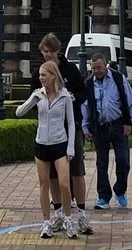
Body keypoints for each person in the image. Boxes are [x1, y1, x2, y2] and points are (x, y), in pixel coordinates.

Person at [15, 59, 80, 239]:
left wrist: (71, 147)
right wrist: (32, 100)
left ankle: (67, 218)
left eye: (44, 75)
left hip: (60, 143)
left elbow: (70, 123)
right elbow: (18, 112)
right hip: (42, 144)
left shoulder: (65, 96)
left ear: (53, 76)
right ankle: (46, 222)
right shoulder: (38, 94)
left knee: (64, 184)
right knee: (44, 186)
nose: (41, 78)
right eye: (40, 75)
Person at [39, 34, 94, 234]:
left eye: (51, 51)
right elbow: (34, 97)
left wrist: (72, 98)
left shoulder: (70, 69)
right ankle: (59, 214)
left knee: (76, 171)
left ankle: (81, 213)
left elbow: (83, 93)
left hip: (71, 128)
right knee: (53, 175)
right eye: (45, 52)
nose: (48, 55)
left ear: (58, 51)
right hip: (50, 132)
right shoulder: (43, 71)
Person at [83, 48, 132, 208]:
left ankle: (120, 191)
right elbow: (85, 107)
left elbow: (129, 100)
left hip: (118, 124)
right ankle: (103, 196)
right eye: (93, 68)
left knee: (123, 160)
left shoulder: (118, 79)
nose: (96, 71)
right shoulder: (88, 84)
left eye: (99, 67)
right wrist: (86, 128)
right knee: (102, 163)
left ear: (105, 65)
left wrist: (129, 122)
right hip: (99, 127)